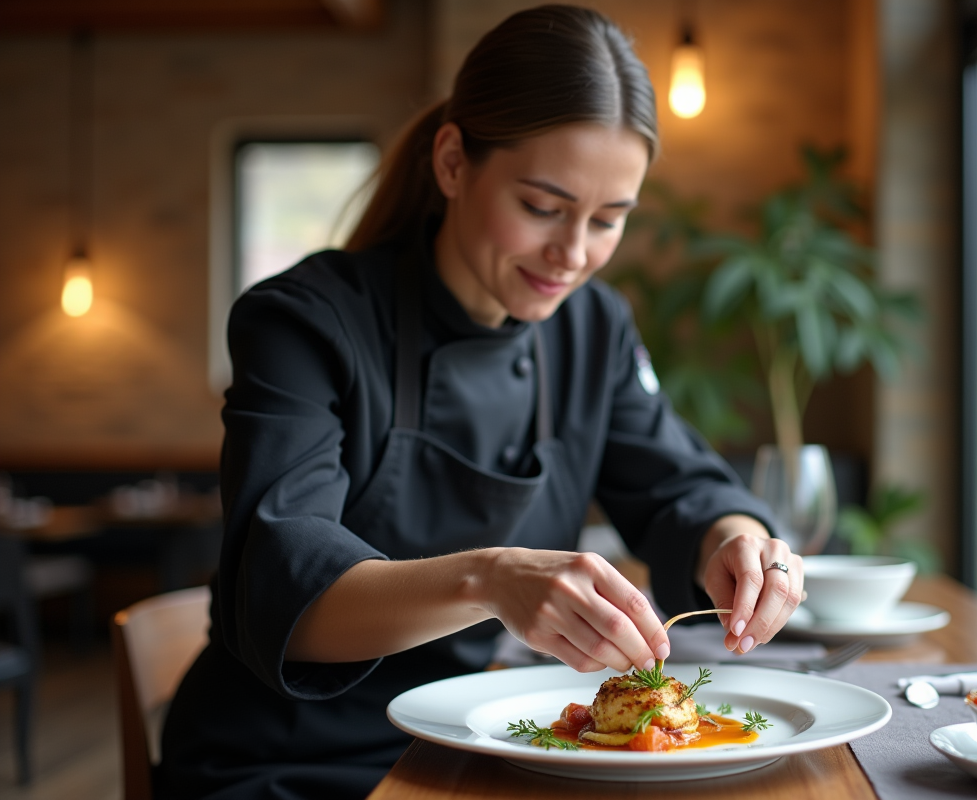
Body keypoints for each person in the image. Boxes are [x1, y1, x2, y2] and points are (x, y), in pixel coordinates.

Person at [157, 6, 804, 799]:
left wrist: (740, 541)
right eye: (542, 207)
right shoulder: (304, 321)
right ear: (455, 161)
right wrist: (491, 579)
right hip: (291, 761)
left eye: (608, 220)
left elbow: (679, 487)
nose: (573, 255)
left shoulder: (592, 328)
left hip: (479, 748)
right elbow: (284, 582)